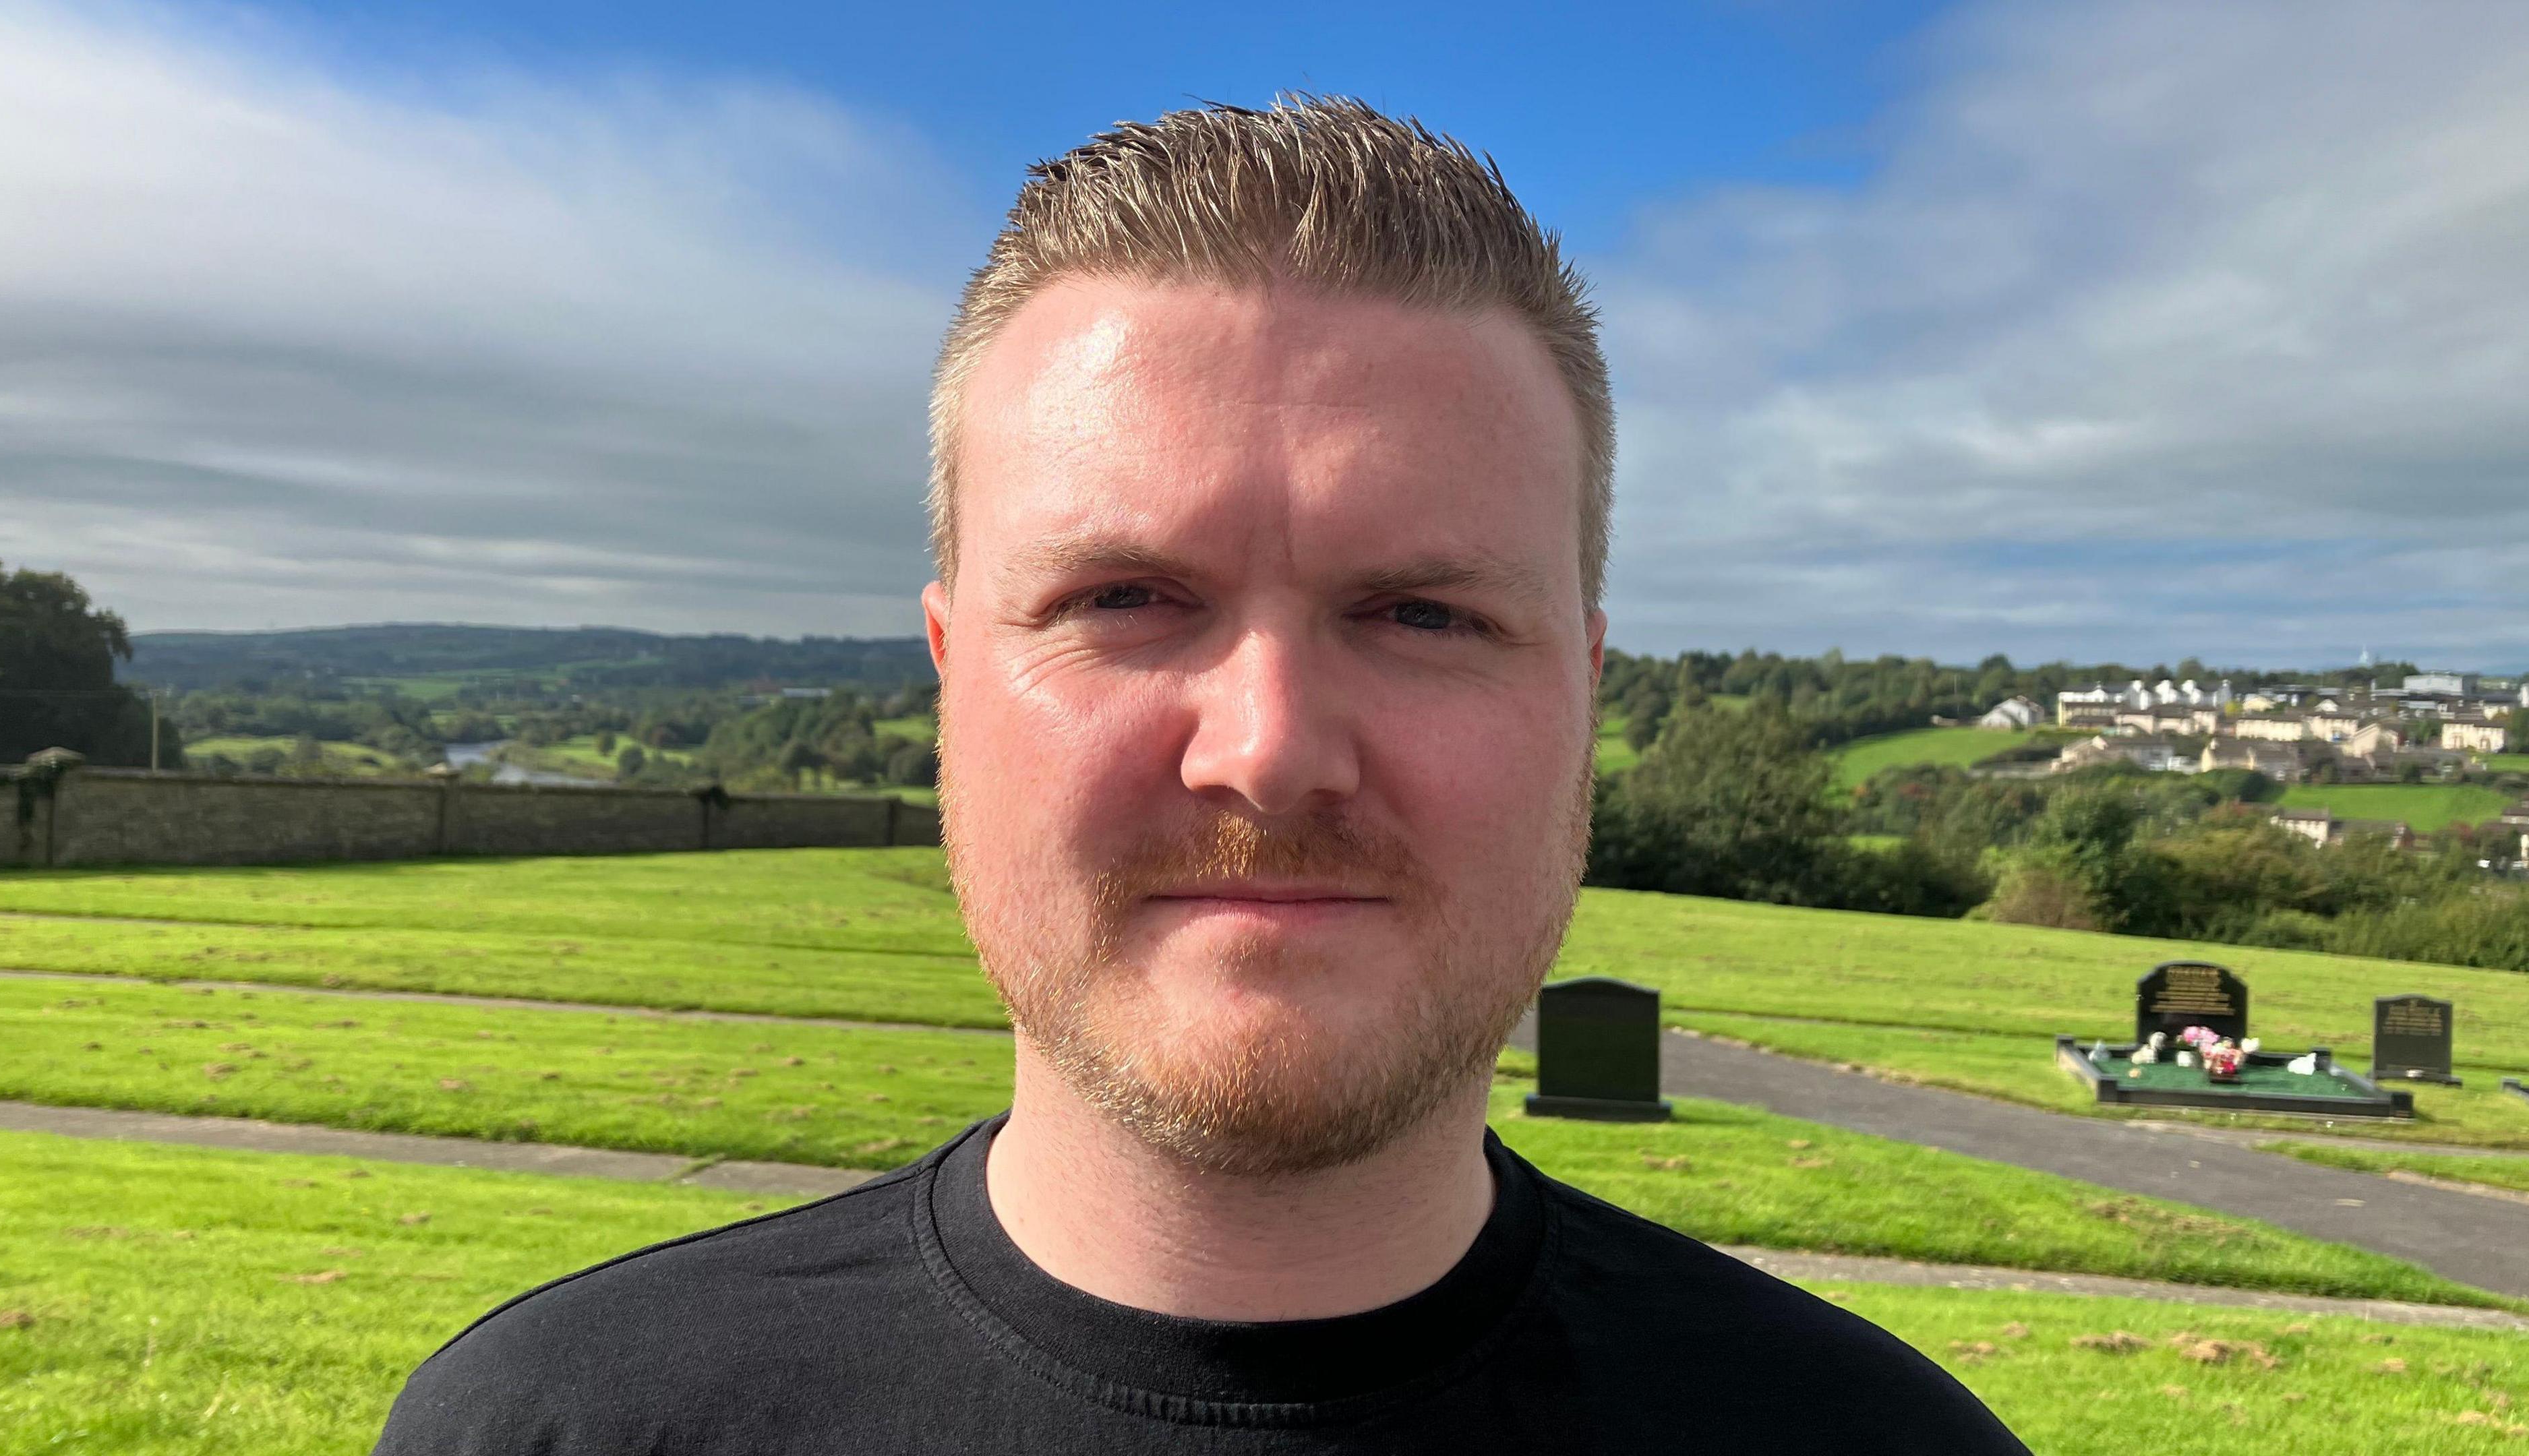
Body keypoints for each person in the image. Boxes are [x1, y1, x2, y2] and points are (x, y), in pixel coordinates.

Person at [374, 96, 2025, 1454]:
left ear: (1580, 698)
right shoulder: (551, 1435)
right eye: (1124, 601)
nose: (1269, 750)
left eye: (1425, 612)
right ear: (953, 677)